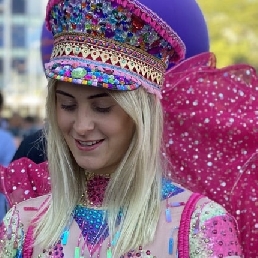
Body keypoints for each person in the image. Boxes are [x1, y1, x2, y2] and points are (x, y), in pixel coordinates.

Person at [0, 0, 243, 257]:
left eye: (102, 107)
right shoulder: (22, 226)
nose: (82, 126)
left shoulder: (199, 227)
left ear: (140, 114)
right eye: (68, 105)